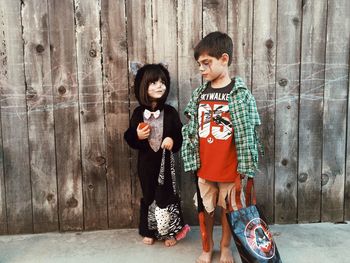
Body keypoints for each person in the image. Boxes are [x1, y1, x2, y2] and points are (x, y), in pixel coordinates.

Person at [181, 32, 262, 263]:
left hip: (230, 167)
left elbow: (251, 131)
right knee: (205, 210)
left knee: (229, 210)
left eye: (207, 63)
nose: (201, 69)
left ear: (224, 59)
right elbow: (191, 127)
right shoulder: (199, 94)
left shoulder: (241, 95)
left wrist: (247, 163)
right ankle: (207, 248)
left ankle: (226, 246)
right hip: (204, 167)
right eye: (199, 64)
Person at [124, 63, 190, 247]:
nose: (159, 86)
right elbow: (129, 137)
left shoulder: (170, 112)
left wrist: (172, 140)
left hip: (165, 163)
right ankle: (149, 230)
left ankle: (169, 231)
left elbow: (180, 134)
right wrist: (137, 136)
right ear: (142, 87)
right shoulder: (138, 113)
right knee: (149, 195)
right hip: (146, 163)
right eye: (153, 83)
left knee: (166, 196)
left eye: (162, 82)